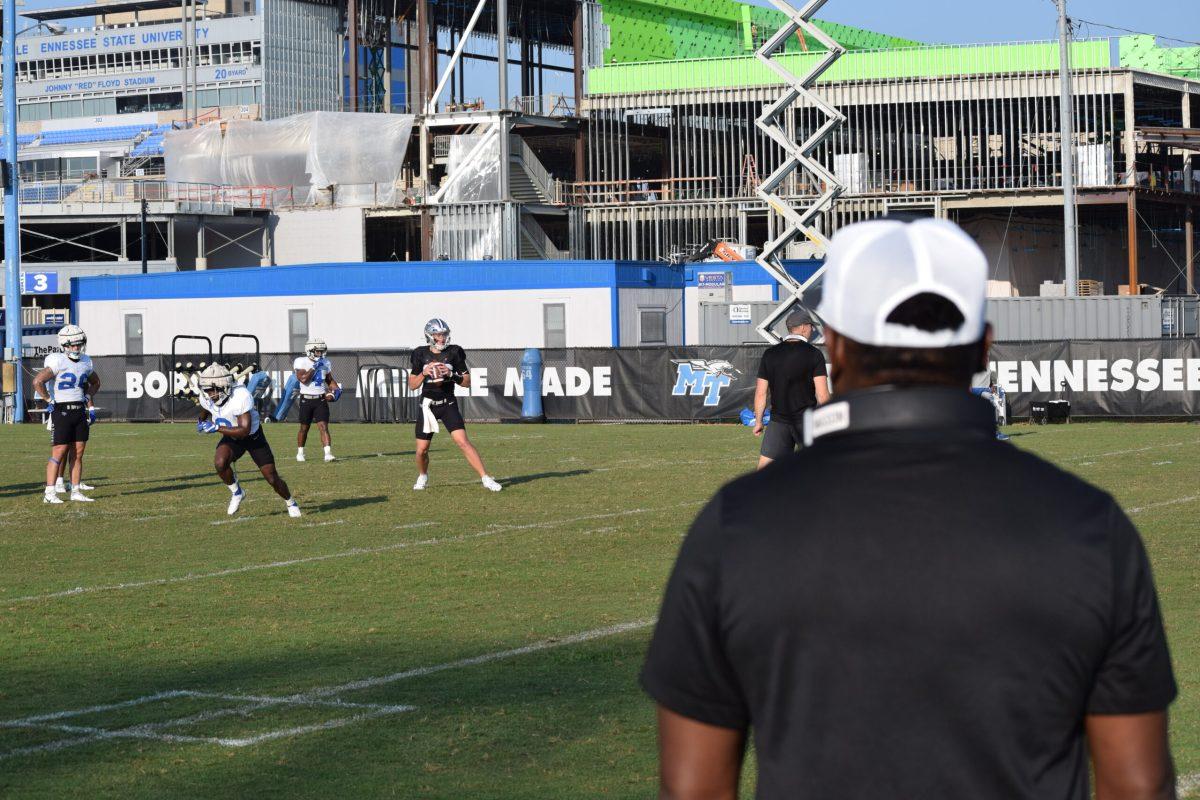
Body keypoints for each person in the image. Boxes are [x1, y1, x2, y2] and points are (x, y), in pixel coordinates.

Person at [641, 219, 1176, 800]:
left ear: (837, 347)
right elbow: (1138, 782)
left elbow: (693, 785)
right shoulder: (1088, 525)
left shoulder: (738, 523)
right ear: (983, 348)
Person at [407, 318, 502, 492]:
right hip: (428, 406)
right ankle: (422, 475)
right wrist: (423, 372)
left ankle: (485, 478)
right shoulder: (420, 354)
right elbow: (412, 384)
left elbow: (466, 382)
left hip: (448, 403)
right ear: (429, 335)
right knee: (422, 450)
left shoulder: (454, 352)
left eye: (444, 334)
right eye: (437, 334)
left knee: (463, 442)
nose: (442, 338)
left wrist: (451, 374)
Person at [195, 363, 301, 517]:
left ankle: (290, 502)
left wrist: (215, 428)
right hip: (231, 435)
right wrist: (200, 421)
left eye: (211, 390)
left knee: (271, 478)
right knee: (220, 463)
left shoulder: (241, 395)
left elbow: (244, 430)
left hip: (252, 437)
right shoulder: (209, 396)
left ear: (223, 387)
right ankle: (237, 492)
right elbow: (206, 407)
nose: (208, 394)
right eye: (206, 390)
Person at [753, 307, 829, 469]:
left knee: (763, 474)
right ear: (802, 327)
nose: (812, 329)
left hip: (778, 422)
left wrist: (758, 421)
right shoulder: (814, 354)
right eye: (810, 326)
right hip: (806, 423)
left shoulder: (770, 354)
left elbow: (761, 393)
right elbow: (822, 395)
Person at [33, 325, 100, 504]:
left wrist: (87, 397)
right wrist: (49, 400)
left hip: (79, 410)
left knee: (78, 453)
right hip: (61, 410)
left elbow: (96, 382)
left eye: (78, 344)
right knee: (59, 451)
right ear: (65, 345)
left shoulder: (86, 361)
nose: (76, 348)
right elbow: (37, 381)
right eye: (72, 345)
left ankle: (76, 490)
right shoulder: (58, 361)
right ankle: (50, 492)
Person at [293, 338, 340, 462]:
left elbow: (329, 380)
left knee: (323, 426)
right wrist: (314, 367)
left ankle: (328, 453)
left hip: (320, 399)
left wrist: (336, 390)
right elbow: (303, 379)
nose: (320, 354)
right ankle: (300, 452)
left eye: (322, 351)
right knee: (304, 428)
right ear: (309, 351)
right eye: (318, 351)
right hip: (306, 399)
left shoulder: (326, 362)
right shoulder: (300, 361)